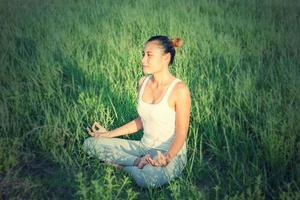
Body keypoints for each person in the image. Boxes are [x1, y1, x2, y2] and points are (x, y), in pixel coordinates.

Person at [83, 35, 191, 188]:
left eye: (149, 55)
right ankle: (137, 162)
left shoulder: (179, 90)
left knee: (150, 179)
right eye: (143, 54)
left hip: (169, 153)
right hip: (143, 147)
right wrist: (108, 134)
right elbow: (141, 121)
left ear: (166, 58)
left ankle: (122, 167)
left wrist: (167, 158)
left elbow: (181, 133)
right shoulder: (143, 82)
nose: (143, 60)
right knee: (90, 144)